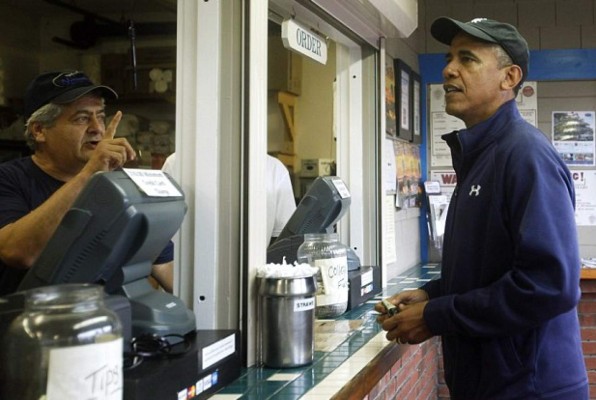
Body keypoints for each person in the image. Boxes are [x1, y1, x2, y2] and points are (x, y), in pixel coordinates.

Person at [376, 17, 588, 399]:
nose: (448, 69)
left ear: (509, 78)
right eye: (449, 57)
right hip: (489, 385)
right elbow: (490, 268)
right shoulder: (481, 156)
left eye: (467, 59)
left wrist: (436, 315)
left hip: (529, 389)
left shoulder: (525, 155)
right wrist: (432, 295)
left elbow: (549, 285)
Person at [0, 70, 174, 296]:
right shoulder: (9, 179)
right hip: (33, 325)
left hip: (111, 321)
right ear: (40, 130)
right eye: (82, 118)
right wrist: (90, 173)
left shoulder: (121, 184)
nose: (98, 128)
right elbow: (18, 252)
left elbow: (163, 264)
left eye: (100, 116)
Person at [162, 152, 296, 244]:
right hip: (179, 278)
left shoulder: (274, 169)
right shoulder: (176, 162)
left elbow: (283, 237)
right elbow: (160, 228)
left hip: (248, 277)